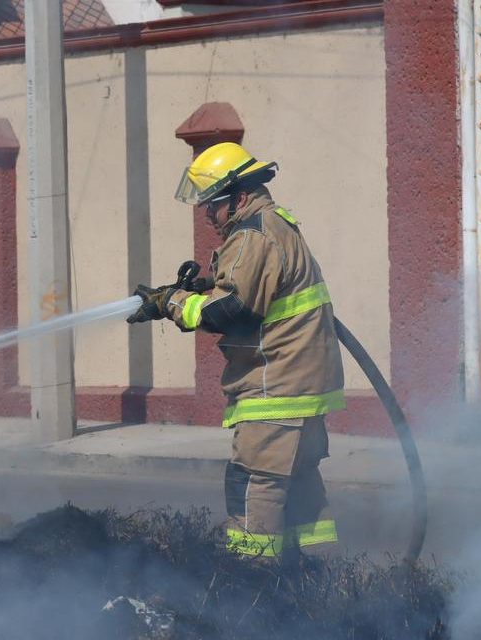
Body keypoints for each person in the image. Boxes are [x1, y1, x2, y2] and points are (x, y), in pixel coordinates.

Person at [126, 142, 344, 563]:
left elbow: (234, 311)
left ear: (239, 197)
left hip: (275, 388)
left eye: (214, 205)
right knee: (300, 486)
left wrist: (170, 304)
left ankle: (252, 583)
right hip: (301, 386)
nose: (208, 214)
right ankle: (324, 576)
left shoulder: (252, 234)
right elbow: (254, 293)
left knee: (253, 484)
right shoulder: (274, 225)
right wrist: (201, 288)